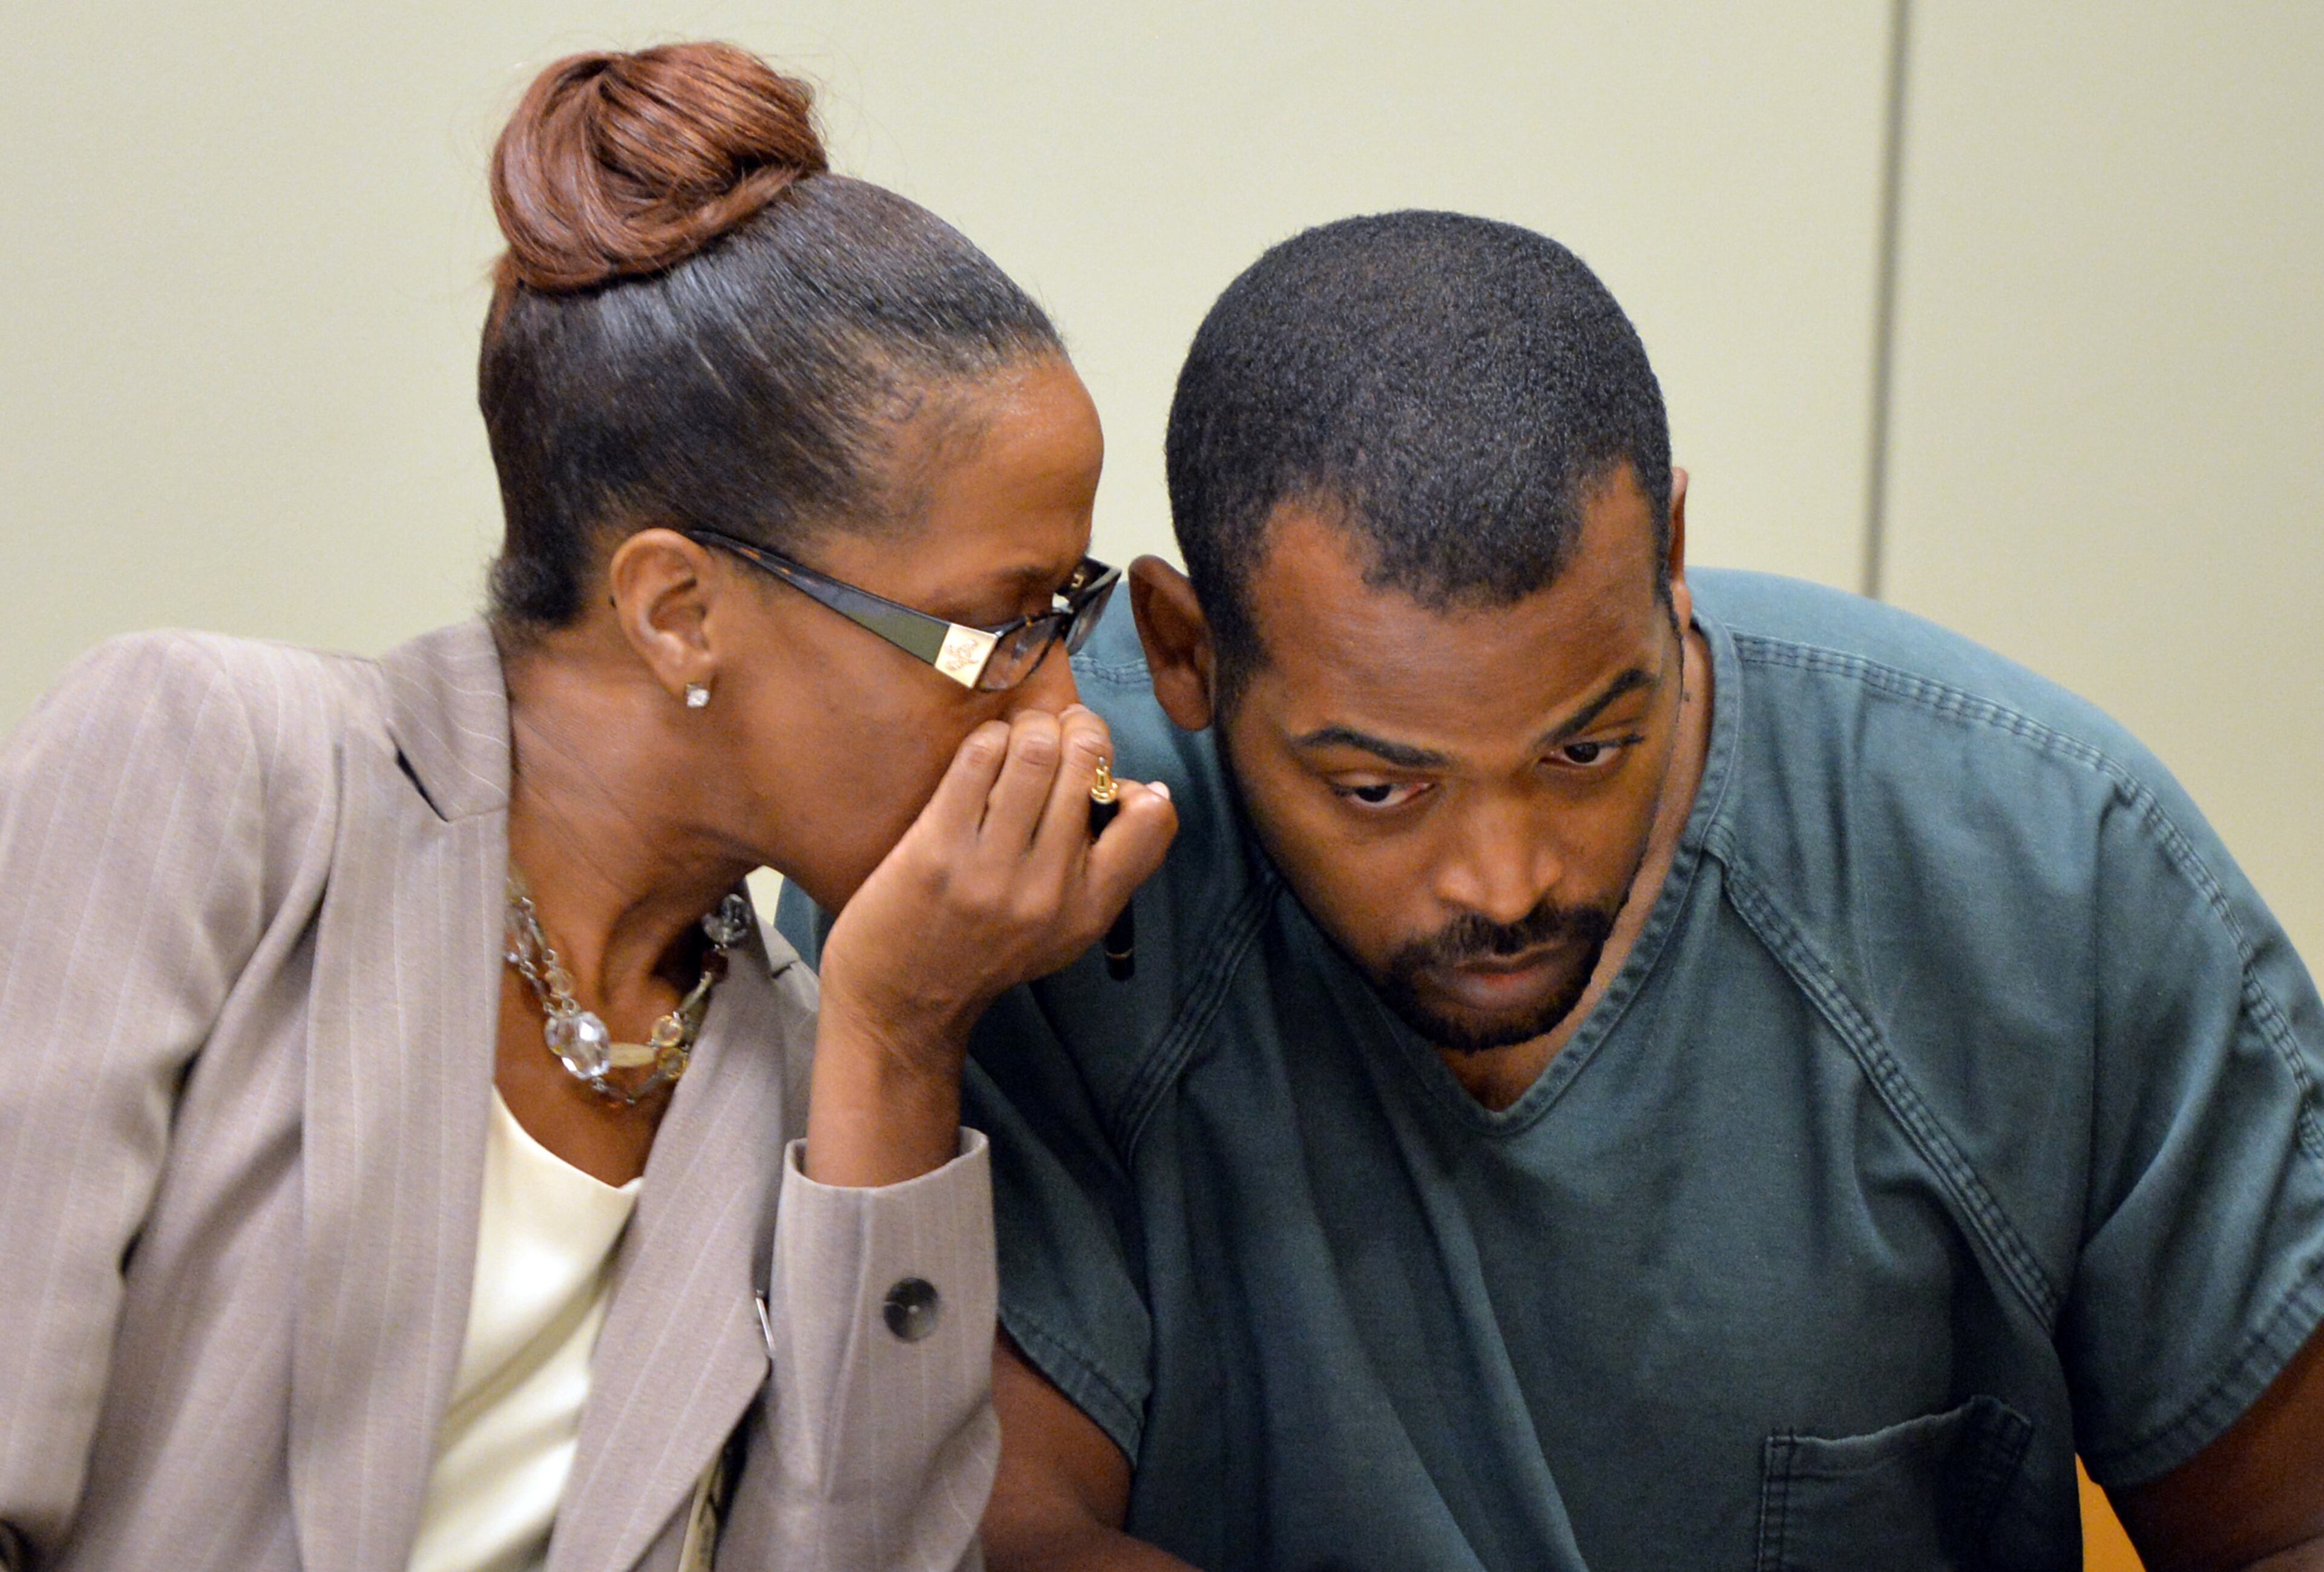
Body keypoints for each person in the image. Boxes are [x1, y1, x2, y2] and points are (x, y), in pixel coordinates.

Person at [782, 212, 2324, 1568]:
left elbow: (2286, 1523)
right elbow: (989, 1538)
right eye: (1379, 789)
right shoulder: (1020, 879)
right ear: (1186, 655)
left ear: (1669, 560)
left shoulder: (2042, 867)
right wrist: (907, 1020)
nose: (1506, 878)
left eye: (1589, 748)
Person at [0, 41, 1172, 1572]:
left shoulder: (801, 1060)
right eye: (1000, 629)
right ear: (679, 610)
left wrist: (901, 1041)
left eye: (1066, 622)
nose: (1061, 722)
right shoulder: (208, 762)